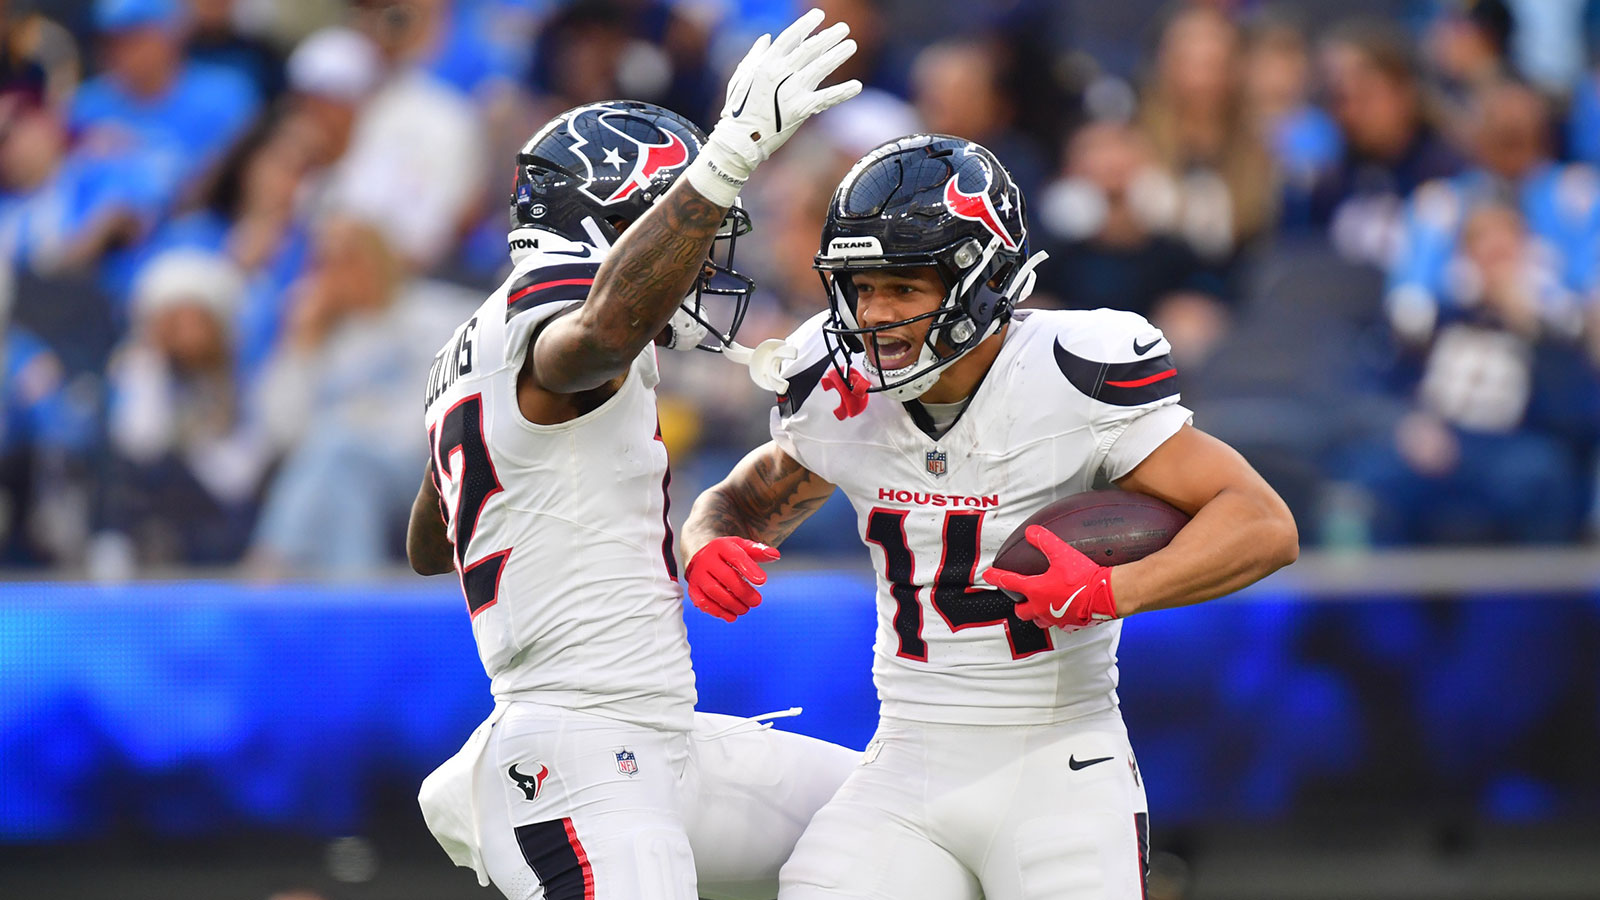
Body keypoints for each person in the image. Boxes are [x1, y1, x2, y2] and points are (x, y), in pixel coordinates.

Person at [680, 134, 1299, 900]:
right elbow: (745, 498)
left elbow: (1262, 523)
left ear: (982, 280)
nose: (875, 315)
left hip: (1057, 762)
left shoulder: (1072, 372)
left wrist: (1116, 591)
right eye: (860, 287)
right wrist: (708, 539)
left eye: (903, 289)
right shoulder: (835, 384)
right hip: (903, 763)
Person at [406, 10, 864, 899]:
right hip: (579, 747)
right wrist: (724, 162)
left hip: (654, 736)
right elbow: (599, 338)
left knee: (912, 843)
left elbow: (434, 543)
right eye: (682, 229)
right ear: (620, 223)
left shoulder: (471, 341)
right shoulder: (564, 314)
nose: (703, 263)